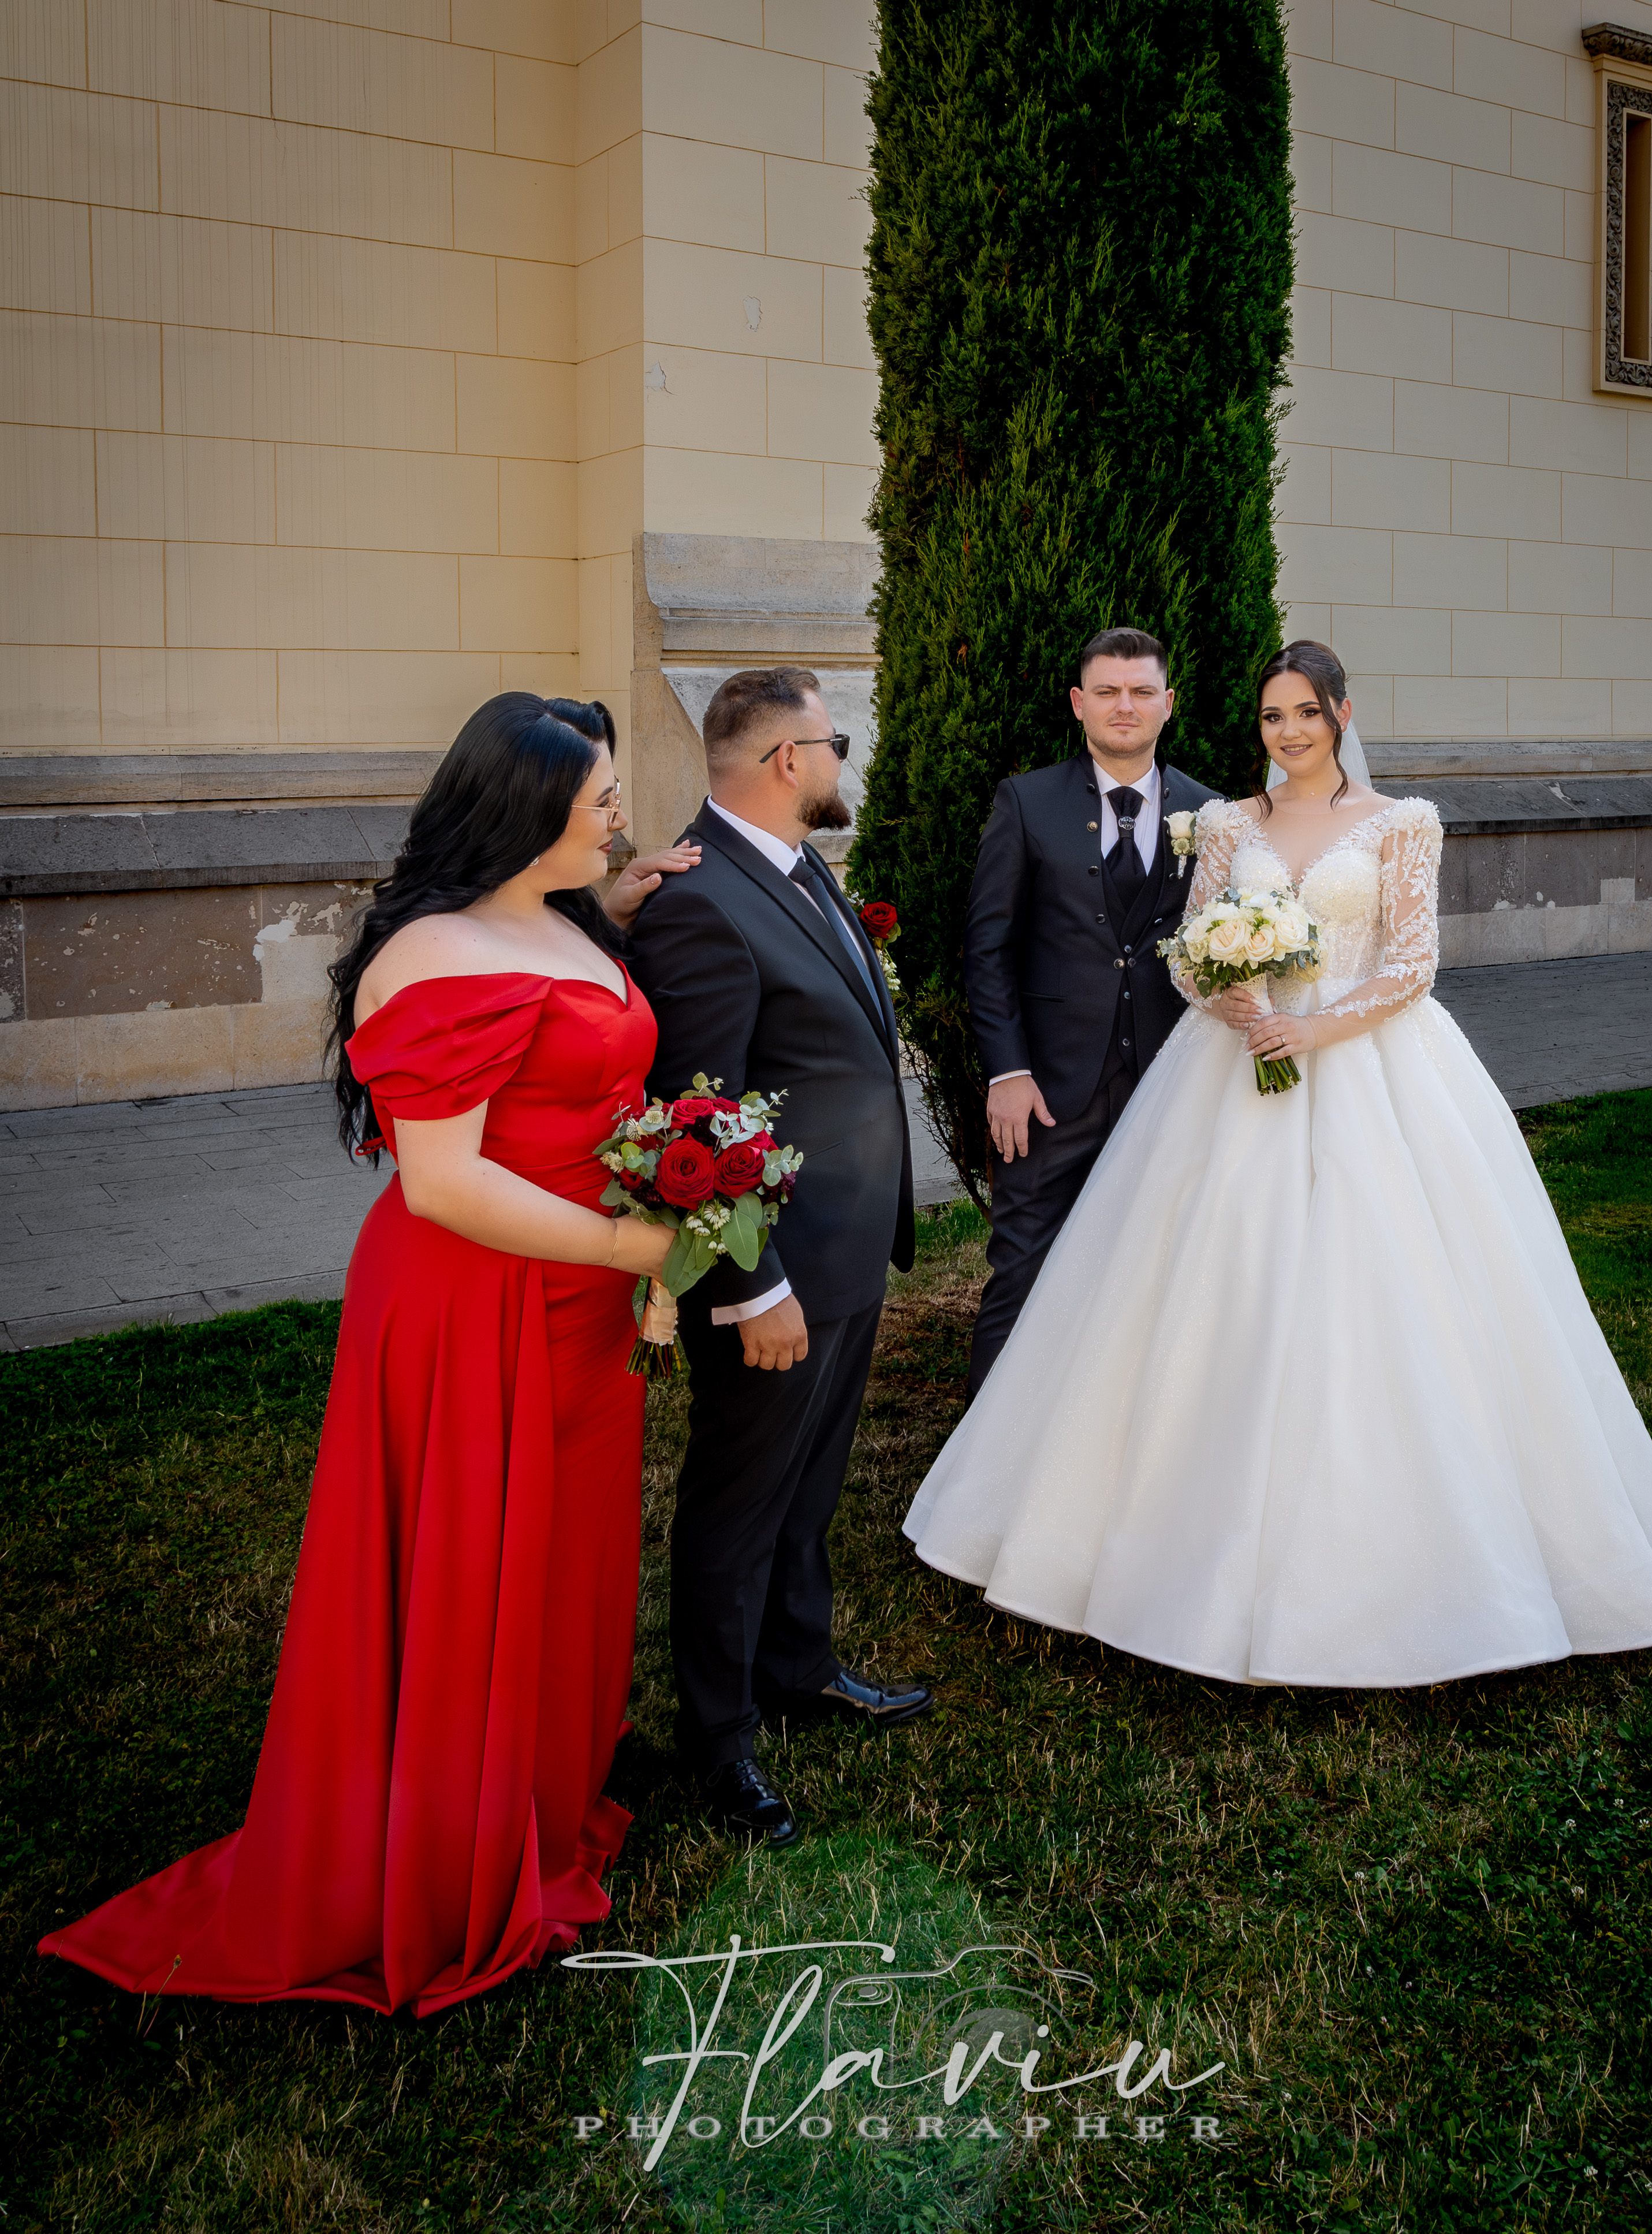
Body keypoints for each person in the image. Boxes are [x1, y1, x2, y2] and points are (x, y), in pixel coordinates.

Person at [39, 692, 699, 2015]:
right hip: (476, 1304)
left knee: (560, 1553)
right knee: (471, 1556)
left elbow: (576, 1060)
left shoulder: (559, 915)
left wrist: (653, 1219)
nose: (620, 814)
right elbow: (444, 1182)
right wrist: (633, 1245)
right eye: (600, 799)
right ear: (523, 809)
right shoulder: (437, 954)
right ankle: (446, 1844)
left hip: (578, 1305)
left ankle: (536, 1788)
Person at [904, 643, 1652, 1687]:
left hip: (1369, 1067)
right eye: (1270, 716)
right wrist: (1234, 1000)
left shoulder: (1401, 823)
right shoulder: (1225, 824)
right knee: (1203, 1280)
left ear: (1341, 713)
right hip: (1230, 1066)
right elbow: (1189, 951)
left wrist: (1314, 1030)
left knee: (1386, 1287)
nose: (1287, 732)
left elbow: (1413, 964)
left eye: (1304, 713)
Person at [628, 667, 927, 1849]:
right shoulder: (701, 901)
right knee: (737, 1504)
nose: (843, 758)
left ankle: (798, 1667)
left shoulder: (795, 868)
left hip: (843, 1249)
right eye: (833, 739)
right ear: (785, 761)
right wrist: (754, 1285)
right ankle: (719, 1739)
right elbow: (693, 1117)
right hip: (775, 1272)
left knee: (809, 1487)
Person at [963, 627, 1219, 1395]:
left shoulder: (1212, 812)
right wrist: (1007, 1071)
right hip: (1047, 1089)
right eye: (1107, 691)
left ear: (1169, 704)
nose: (1124, 706)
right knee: (1021, 1267)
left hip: (1170, 1084)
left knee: (1159, 1272)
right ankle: (983, 1455)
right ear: (1079, 703)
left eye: (1141, 691)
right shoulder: (1026, 801)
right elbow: (988, 949)